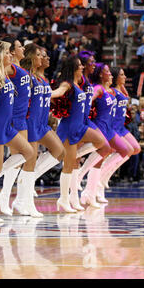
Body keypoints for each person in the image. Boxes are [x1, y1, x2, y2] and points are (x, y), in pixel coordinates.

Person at [0, 40, 35, 221]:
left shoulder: (7, 73)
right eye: (8, 53)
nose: (11, 55)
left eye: (12, 52)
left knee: (28, 152)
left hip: (7, 124)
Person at [51, 55, 109, 212]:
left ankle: (75, 155)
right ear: (74, 68)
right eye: (79, 66)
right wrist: (48, 94)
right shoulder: (68, 83)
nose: (82, 67)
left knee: (100, 142)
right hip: (69, 128)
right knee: (68, 167)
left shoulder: (80, 83)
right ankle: (64, 200)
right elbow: (59, 91)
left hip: (80, 126)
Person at [18, 44, 65, 217]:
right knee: (30, 161)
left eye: (43, 55)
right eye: (40, 55)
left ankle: (27, 180)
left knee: (59, 151)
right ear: (31, 57)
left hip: (42, 123)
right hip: (30, 122)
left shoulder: (44, 79)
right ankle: (24, 201)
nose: (45, 58)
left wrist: (50, 114)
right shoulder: (28, 77)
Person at [80, 63, 133, 208]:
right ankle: (88, 185)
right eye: (107, 72)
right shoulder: (99, 88)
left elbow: (123, 99)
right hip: (103, 126)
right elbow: (89, 100)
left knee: (125, 150)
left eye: (110, 72)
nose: (109, 74)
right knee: (107, 154)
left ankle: (94, 188)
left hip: (111, 126)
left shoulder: (110, 90)